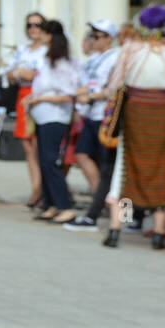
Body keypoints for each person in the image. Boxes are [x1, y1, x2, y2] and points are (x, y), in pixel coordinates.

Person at [101, 5, 165, 250]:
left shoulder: (130, 50)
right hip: (164, 116)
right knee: (163, 171)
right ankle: (158, 233)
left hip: (134, 115)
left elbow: (115, 86)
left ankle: (115, 230)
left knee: (126, 171)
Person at [63, 20, 121, 232]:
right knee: (85, 156)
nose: (92, 40)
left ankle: (125, 219)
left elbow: (115, 90)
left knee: (116, 172)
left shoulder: (117, 58)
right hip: (93, 116)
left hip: (109, 118)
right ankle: (99, 210)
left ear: (109, 38)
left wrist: (91, 96)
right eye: (91, 35)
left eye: (97, 36)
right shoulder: (94, 59)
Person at [25, 20, 80, 223]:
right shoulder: (46, 59)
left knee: (51, 161)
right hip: (43, 115)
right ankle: (50, 203)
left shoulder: (62, 63)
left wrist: (41, 98)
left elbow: (68, 94)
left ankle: (65, 205)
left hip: (55, 116)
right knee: (44, 161)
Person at [6, 11, 49, 207]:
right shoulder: (22, 50)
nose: (33, 29)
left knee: (40, 144)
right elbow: (9, 74)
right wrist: (18, 74)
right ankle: (36, 187)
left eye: (37, 25)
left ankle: (42, 189)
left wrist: (29, 74)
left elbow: (44, 75)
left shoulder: (48, 50)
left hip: (40, 96)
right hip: (23, 95)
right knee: (27, 145)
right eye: (30, 25)